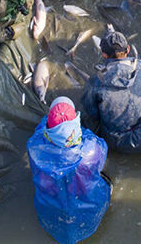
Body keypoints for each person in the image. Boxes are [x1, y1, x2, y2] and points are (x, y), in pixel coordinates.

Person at [27, 96, 111, 244]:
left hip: (51, 217)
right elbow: (102, 154)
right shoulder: (92, 148)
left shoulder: (34, 147)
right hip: (88, 216)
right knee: (101, 179)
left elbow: (40, 132)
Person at [81, 30, 141, 154]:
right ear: (128, 49)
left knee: (88, 120)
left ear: (104, 54)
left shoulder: (96, 82)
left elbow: (92, 113)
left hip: (119, 143)